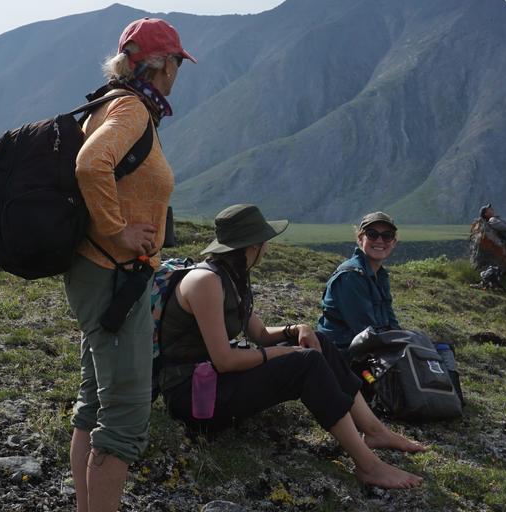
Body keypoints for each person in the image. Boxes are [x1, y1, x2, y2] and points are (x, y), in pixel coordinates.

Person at [64, 16, 194, 512]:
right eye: (175, 65)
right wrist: (118, 235)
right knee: (123, 412)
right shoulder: (133, 110)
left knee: (94, 403)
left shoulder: (116, 102)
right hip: (114, 275)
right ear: (159, 66)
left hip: (104, 275)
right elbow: (92, 166)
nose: (176, 76)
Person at [160, 204, 426, 489]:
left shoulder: (232, 276)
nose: (267, 249)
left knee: (317, 341)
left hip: (213, 381)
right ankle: (368, 466)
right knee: (305, 362)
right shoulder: (205, 282)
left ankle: (374, 430)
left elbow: (260, 334)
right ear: (254, 245)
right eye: (265, 242)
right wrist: (286, 353)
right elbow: (224, 360)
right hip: (195, 398)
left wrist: (297, 329)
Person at [315, 211, 402, 355]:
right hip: (341, 355)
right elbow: (365, 330)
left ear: (393, 242)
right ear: (360, 239)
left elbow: (391, 323)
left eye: (387, 236)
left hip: (367, 350)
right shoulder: (350, 276)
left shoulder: (380, 275)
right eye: (372, 234)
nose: (380, 241)